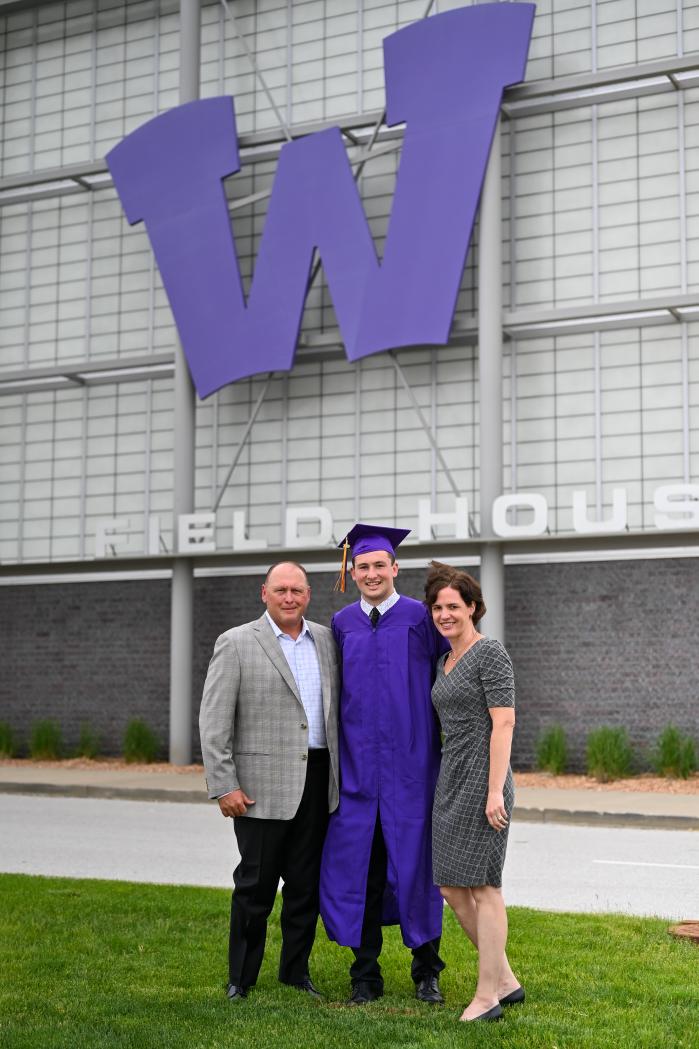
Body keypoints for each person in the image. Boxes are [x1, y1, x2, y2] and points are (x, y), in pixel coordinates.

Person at [199, 561, 340, 1002]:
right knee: (255, 888)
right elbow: (214, 720)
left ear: (308, 594)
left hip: (318, 780)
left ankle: (295, 973)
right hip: (259, 787)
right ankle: (240, 978)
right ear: (264, 593)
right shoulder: (237, 642)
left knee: (305, 887)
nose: (289, 597)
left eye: (297, 590)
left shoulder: (327, 641)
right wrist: (224, 784)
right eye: (280, 589)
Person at [319, 524, 448, 1006]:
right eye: (363, 567)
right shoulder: (342, 624)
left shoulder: (422, 618)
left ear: (396, 569)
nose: (371, 574)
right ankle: (365, 975)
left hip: (412, 771)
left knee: (417, 871)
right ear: (352, 572)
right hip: (357, 773)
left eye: (380, 566)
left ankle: (427, 973)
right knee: (362, 873)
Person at [425, 561, 522, 1023]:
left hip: (486, 779)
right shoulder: (444, 660)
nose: (445, 614)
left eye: (453, 606)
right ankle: (504, 977)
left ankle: (488, 998)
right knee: (450, 883)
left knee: (485, 885)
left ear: (473, 608)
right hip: (452, 776)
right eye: (438, 607)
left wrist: (495, 792)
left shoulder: (490, 654)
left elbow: (503, 722)